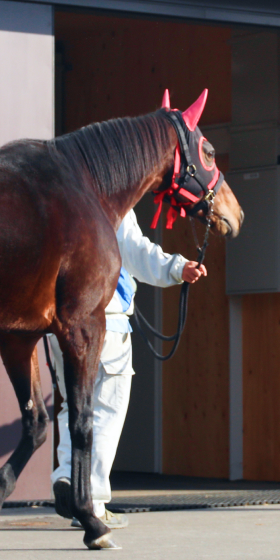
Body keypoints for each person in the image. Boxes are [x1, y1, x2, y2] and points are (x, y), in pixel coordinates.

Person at [49, 210, 206, 528]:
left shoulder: (55, 184)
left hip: (55, 319)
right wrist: (176, 268)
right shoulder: (108, 192)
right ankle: (91, 499)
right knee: (106, 408)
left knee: (73, 407)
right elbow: (133, 249)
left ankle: (67, 475)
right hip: (105, 317)